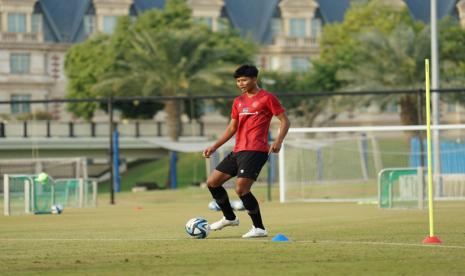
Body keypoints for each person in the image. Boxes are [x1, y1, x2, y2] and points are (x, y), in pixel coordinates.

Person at [203, 64, 290, 238]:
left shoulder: (267, 98)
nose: (241, 83)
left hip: (256, 150)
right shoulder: (238, 101)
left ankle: (259, 228)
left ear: (254, 79)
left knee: (241, 189)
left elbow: (285, 121)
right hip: (238, 150)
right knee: (212, 182)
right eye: (238, 81)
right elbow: (232, 128)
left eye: (244, 80)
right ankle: (229, 218)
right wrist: (214, 146)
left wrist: (278, 141)